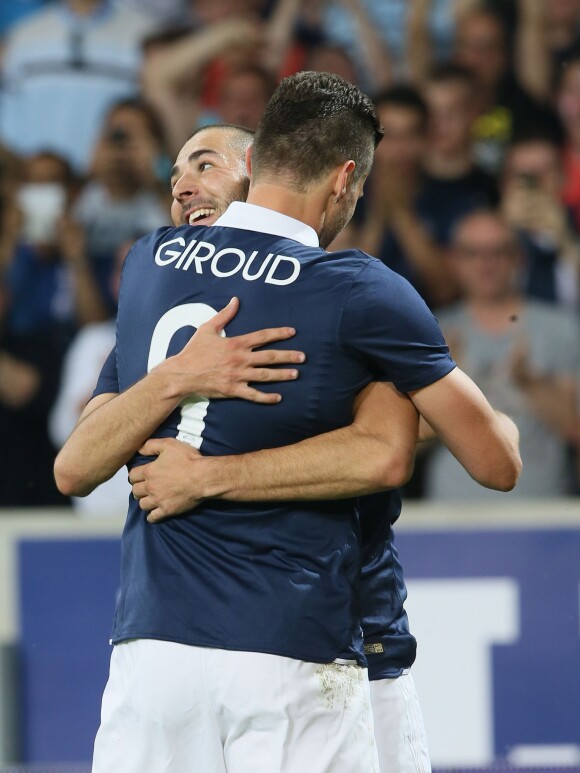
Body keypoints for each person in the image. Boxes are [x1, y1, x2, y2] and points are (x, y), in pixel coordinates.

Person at [55, 76, 520, 772]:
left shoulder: (150, 264)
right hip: (298, 647)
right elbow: (477, 459)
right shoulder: (359, 293)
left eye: (203, 163)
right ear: (345, 179)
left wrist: (199, 462)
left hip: (154, 652)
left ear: (258, 165)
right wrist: (185, 379)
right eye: (177, 168)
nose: (183, 183)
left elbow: (76, 466)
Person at [424, 209, 578, 500]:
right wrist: (442, 383)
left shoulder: (560, 328)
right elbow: (405, 442)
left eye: (498, 251)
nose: (486, 263)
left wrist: (531, 383)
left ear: (518, 258)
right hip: (450, 513)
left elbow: (574, 427)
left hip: (542, 509)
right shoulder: (430, 329)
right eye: (472, 253)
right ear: (454, 260)